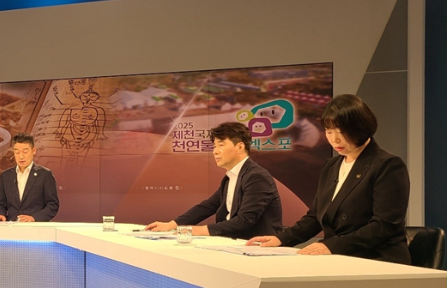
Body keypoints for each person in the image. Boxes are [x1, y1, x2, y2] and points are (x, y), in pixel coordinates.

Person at [247, 94, 410, 263]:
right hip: (340, 256)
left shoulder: (387, 165)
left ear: (361, 128)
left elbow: (384, 225)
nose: (334, 139)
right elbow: (316, 216)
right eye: (329, 131)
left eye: (342, 131)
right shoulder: (332, 166)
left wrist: (332, 246)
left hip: (376, 258)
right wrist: (281, 239)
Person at [146, 121, 282, 239]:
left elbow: (245, 220)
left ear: (240, 147)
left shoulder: (257, 176)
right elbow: (208, 206)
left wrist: (195, 230)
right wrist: (171, 225)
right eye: (215, 146)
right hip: (232, 243)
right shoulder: (230, 177)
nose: (215, 151)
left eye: (221, 145)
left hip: (257, 246)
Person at [0, 132, 59, 222]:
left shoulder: (45, 175)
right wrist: (0, 214)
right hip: (12, 226)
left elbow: (52, 205)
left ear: (34, 151)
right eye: (17, 152)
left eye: (25, 152)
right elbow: (0, 204)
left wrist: (33, 218)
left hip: (36, 227)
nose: (21, 156)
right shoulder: (5, 176)